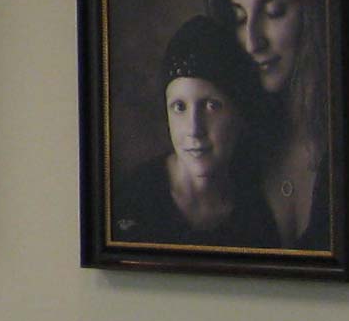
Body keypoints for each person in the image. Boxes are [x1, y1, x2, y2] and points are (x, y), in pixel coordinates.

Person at [114, 14, 278, 248]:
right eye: (179, 107)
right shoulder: (131, 201)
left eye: (211, 106)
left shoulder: (260, 206)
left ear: (239, 112)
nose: (194, 129)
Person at [208, 0, 332, 248]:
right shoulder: (238, 143)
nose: (252, 41)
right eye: (239, 18)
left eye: (274, 12)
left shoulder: (346, 136)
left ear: (313, 14)